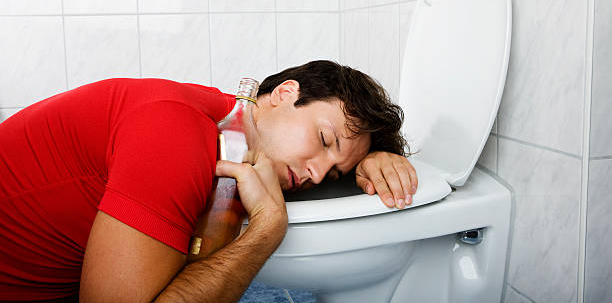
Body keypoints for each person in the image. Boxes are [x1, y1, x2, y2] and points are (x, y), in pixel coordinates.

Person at [0, 60, 417, 302]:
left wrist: (375, 160)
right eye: (325, 140)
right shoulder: (178, 137)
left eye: (335, 171)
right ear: (286, 93)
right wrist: (269, 228)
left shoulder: (232, 129)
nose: (317, 174)